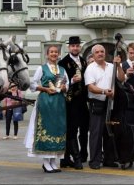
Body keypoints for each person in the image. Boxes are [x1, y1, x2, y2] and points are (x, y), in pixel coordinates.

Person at [25, 45, 69, 173]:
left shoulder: (62, 69)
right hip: (46, 101)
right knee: (46, 128)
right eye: (51, 52)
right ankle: (45, 162)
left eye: (56, 52)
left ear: (59, 54)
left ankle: (53, 161)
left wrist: (64, 87)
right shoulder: (41, 68)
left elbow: (67, 84)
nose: (54, 54)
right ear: (47, 54)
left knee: (57, 129)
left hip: (59, 102)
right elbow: (32, 84)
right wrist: (44, 89)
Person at [84, 44, 125, 170]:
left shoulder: (111, 66)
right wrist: (103, 92)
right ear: (93, 55)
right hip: (97, 103)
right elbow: (90, 87)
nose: (100, 54)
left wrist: (118, 65)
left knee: (109, 132)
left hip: (111, 103)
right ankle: (94, 160)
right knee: (96, 133)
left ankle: (109, 159)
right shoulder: (90, 68)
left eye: (102, 51)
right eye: (97, 52)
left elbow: (122, 78)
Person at [58, 36, 89, 170]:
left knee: (84, 128)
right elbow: (59, 82)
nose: (75, 48)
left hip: (83, 100)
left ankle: (72, 157)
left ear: (80, 47)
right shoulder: (63, 62)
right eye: (73, 46)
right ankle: (76, 159)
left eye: (77, 45)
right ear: (68, 47)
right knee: (71, 129)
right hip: (70, 101)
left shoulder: (83, 60)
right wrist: (72, 81)